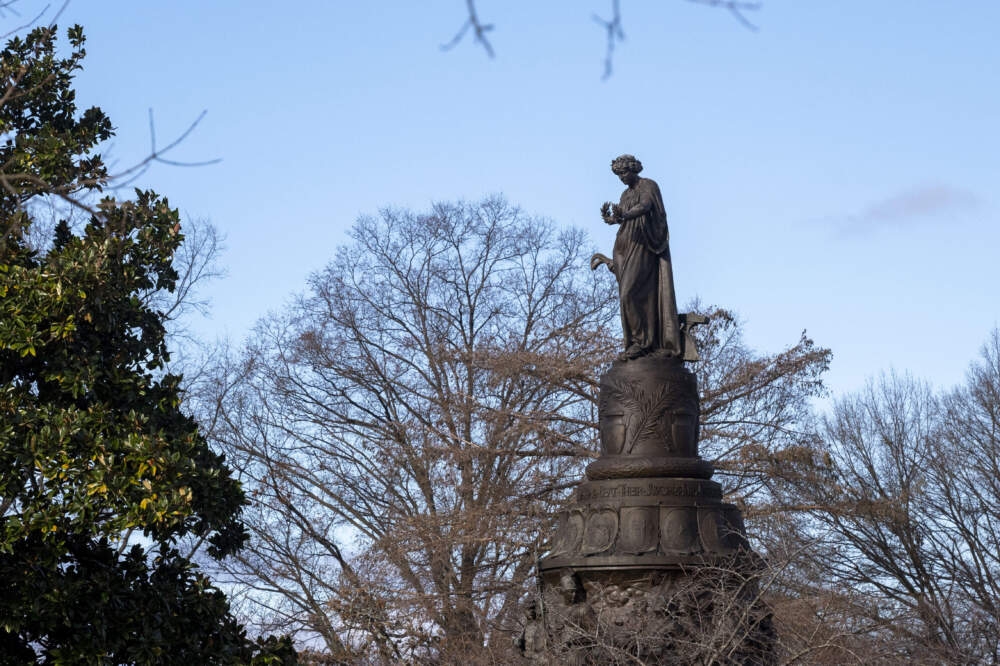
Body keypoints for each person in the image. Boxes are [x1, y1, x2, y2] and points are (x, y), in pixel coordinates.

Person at [600, 154, 682, 359]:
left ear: (634, 169)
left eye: (624, 172)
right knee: (625, 295)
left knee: (630, 293)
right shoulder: (625, 195)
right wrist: (613, 219)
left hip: (644, 244)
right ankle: (634, 343)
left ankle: (642, 342)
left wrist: (624, 215)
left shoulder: (648, 185)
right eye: (618, 174)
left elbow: (645, 206)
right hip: (624, 243)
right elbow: (624, 217)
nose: (622, 178)